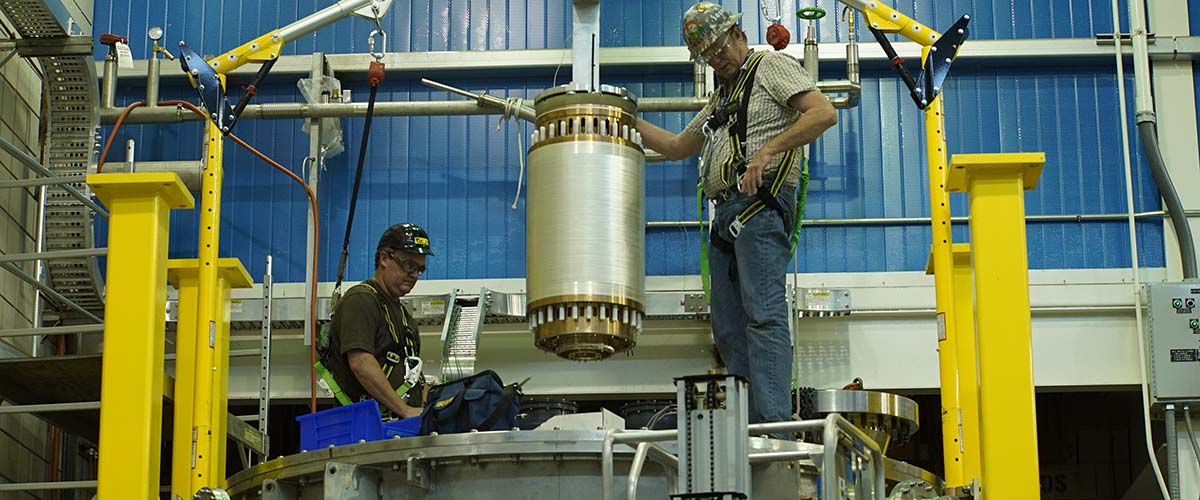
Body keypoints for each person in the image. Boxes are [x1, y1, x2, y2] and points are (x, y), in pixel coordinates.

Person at [636, 2, 838, 424]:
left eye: (720, 47)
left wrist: (767, 151)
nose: (717, 58)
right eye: (708, 55)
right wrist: (625, 118)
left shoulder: (770, 66)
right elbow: (677, 147)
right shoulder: (722, 97)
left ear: (739, 35)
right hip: (727, 216)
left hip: (759, 209)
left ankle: (773, 431)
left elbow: (823, 112)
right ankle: (744, 431)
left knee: (763, 318)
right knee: (728, 330)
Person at [315, 223, 433, 418]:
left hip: (399, 429)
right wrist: (405, 410)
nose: (414, 275)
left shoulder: (406, 319)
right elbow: (361, 362)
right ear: (384, 258)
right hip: (367, 429)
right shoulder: (361, 300)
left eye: (420, 269)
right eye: (409, 265)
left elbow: (413, 375)